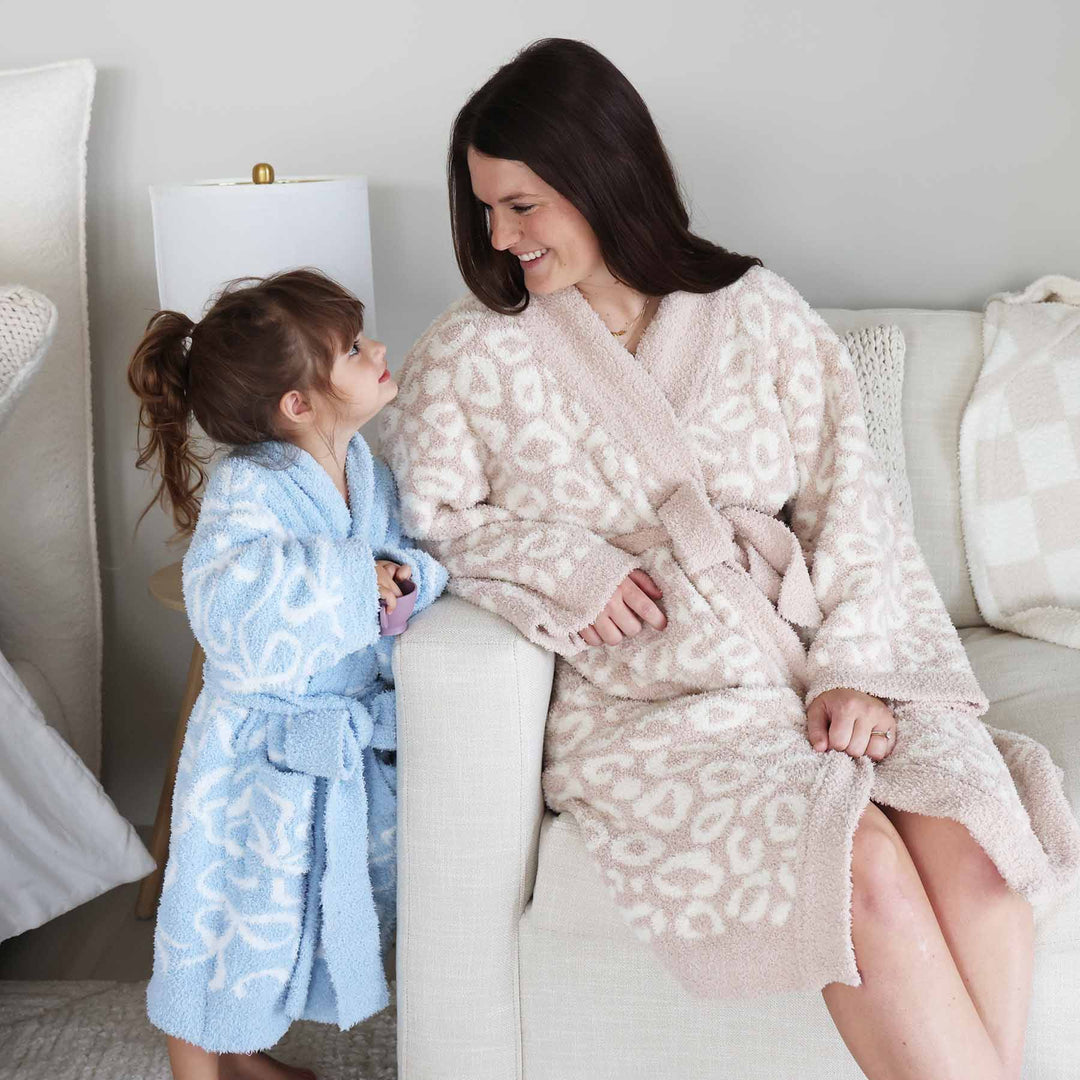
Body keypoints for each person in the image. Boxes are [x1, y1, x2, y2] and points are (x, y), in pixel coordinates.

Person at [379, 38, 1080, 1080]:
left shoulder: (757, 310)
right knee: (865, 871)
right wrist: (568, 566)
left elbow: (857, 499)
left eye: (522, 205)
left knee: (975, 843)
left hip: (810, 655)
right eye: (485, 209)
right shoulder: (474, 349)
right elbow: (427, 522)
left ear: (602, 176)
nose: (500, 236)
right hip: (652, 700)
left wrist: (856, 669)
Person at [127, 269, 448, 1080]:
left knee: (273, 924)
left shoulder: (366, 468)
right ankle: (194, 1067)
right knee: (217, 921)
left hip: (328, 746)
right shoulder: (249, 487)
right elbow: (227, 600)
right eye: (350, 348)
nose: (376, 349)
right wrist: (349, 583)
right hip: (251, 758)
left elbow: (401, 559)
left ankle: (248, 1054)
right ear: (299, 405)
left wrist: (403, 580)